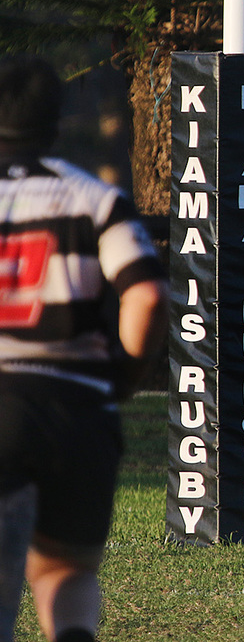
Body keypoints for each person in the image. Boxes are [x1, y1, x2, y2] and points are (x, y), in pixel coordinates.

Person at [0, 55, 168, 642]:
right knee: (65, 571)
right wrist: (122, 376)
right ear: (56, 119)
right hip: (77, 408)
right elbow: (145, 297)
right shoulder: (96, 200)